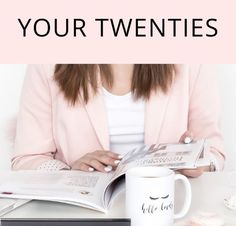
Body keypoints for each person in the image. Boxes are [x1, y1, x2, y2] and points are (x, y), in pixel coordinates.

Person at [11, 64, 225, 177]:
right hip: (83, 217)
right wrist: (69, 175)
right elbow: (27, 159)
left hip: (169, 207)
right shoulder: (47, 62)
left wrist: (198, 163)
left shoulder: (191, 59)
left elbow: (214, 152)